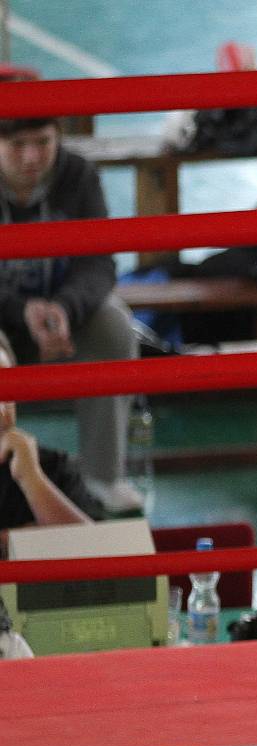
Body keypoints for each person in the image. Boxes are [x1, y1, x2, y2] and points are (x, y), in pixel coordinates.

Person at [0, 104, 141, 514]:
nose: (32, 157)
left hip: (60, 317)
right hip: (4, 321)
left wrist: (66, 308)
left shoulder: (77, 175)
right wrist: (19, 311)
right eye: (17, 145)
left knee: (114, 328)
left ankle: (103, 477)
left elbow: (99, 262)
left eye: (43, 142)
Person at [1, 334, 98, 538]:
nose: (1, 409)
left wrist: (32, 481)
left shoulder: (53, 469)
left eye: (6, 388)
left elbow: (101, 549)